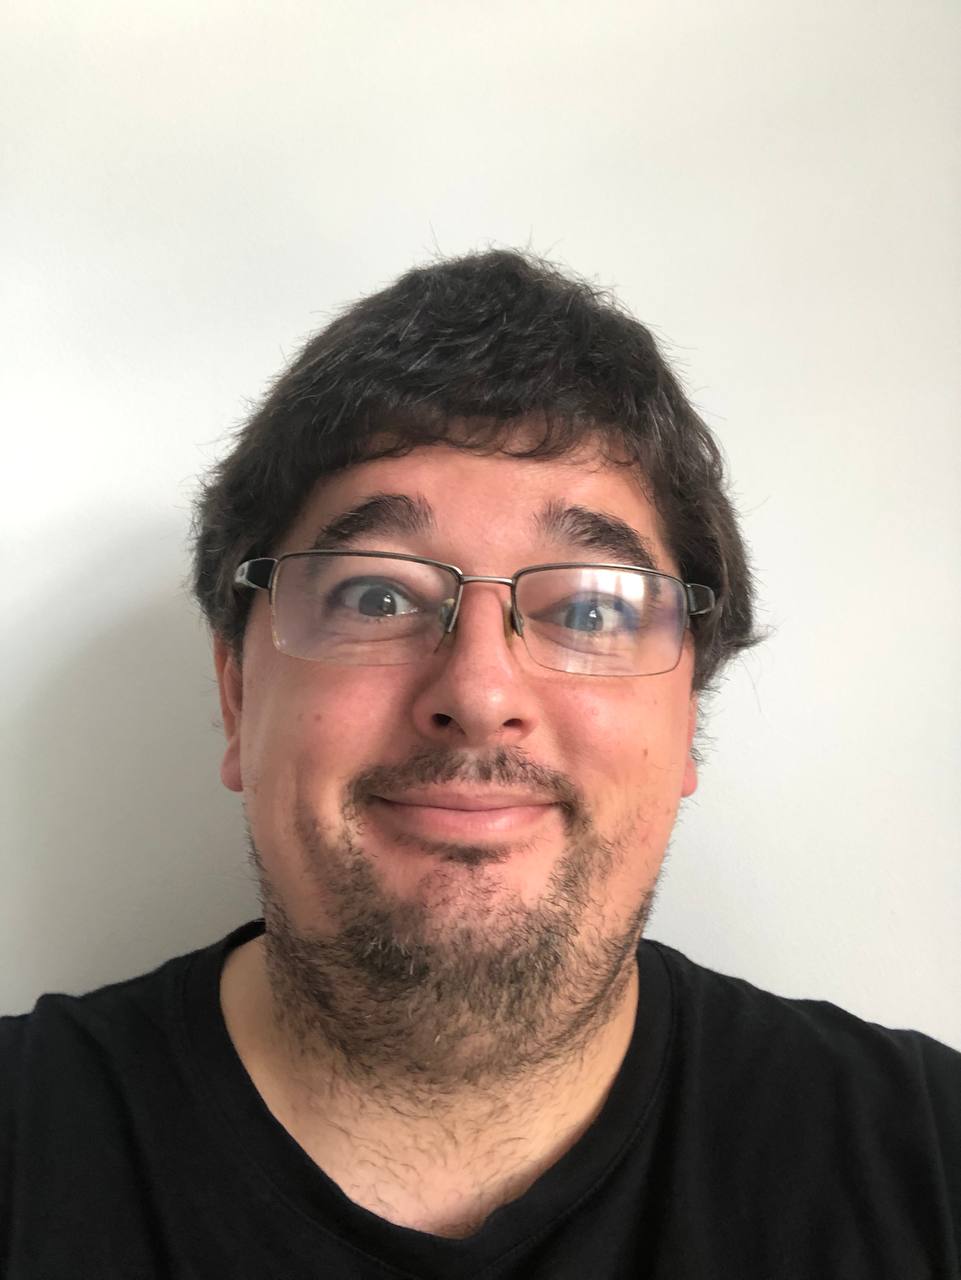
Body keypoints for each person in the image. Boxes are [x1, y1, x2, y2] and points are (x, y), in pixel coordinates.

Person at [1, 250, 958, 1280]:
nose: (479, 691)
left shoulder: (932, 1163)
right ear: (237, 690)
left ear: (689, 717)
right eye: (375, 595)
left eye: (589, 607)